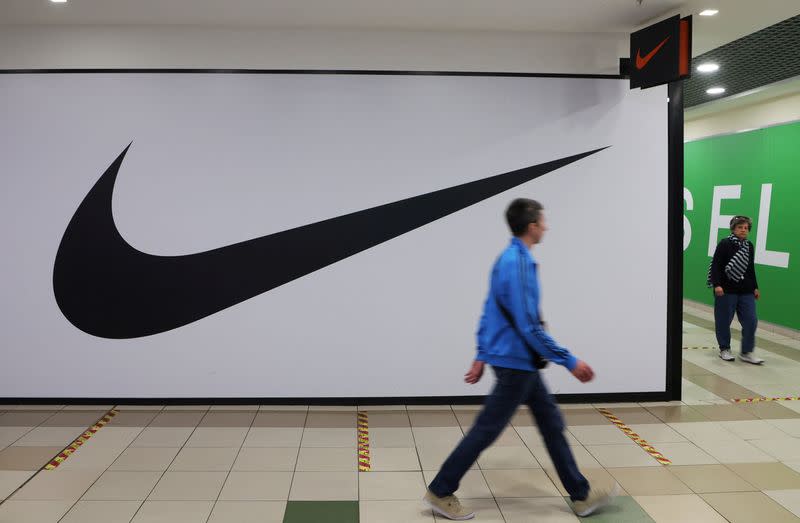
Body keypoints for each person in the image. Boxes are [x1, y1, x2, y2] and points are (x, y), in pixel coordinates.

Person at [423, 198, 618, 520]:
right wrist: (569, 361)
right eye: (543, 221)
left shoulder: (506, 259)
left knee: (551, 424)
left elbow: (490, 311)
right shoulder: (519, 263)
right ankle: (440, 490)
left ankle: (581, 495)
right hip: (516, 363)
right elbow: (529, 325)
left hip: (517, 362)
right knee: (487, 430)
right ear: (532, 226)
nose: (546, 226)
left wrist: (481, 355)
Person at [708, 215, 764, 364]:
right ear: (733, 229)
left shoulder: (749, 246)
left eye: (746, 228)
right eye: (740, 227)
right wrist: (717, 285)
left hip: (746, 290)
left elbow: (750, 268)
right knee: (723, 321)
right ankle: (724, 349)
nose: (743, 230)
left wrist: (755, 287)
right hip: (726, 290)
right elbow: (716, 266)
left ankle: (746, 352)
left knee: (751, 320)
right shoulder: (725, 244)